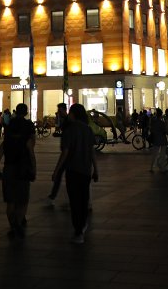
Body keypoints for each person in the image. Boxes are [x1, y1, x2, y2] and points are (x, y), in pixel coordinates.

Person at [52, 103, 99, 244]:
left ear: (73, 114)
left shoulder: (70, 130)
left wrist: (57, 170)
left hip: (72, 170)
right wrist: (96, 170)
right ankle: (82, 226)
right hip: (85, 170)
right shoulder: (88, 130)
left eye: (70, 113)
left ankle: (78, 230)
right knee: (83, 199)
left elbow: (65, 153)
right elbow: (92, 152)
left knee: (74, 201)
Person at [0, 103, 36, 238]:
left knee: (10, 201)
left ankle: (13, 226)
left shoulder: (9, 127)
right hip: (23, 167)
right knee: (23, 200)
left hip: (9, 168)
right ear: (26, 112)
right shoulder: (29, 126)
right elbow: (31, 149)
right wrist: (34, 168)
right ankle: (18, 223)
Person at [45, 103, 69, 206]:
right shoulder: (65, 121)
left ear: (64, 110)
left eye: (59, 111)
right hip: (67, 152)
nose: (58, 112)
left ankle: (53, 196)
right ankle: (53, 196)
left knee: (60, 174)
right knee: (62, 176)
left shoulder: (68, 122)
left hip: (68, 153)